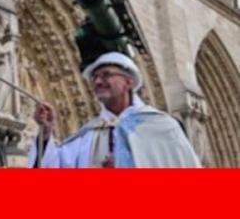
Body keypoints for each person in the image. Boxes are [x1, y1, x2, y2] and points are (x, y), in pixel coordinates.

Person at [28, 51, 201, 168]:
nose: (97, 82)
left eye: (106, 74)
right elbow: (52, 167)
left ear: (128, 82)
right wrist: (46, 132)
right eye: (95, 77)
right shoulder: (89, 135)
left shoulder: (161, 126)